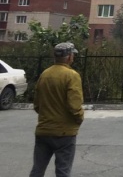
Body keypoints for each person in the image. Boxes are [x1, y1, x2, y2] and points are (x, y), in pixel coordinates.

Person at [29, 42, 84, 177]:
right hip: (65, 132)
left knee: (37, 169)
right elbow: (74, 105)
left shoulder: (45, 74)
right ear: (69, 57)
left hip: (44, 130)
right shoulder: (72, 75)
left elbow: (37, 104)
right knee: (62, 171)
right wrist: (79, 118)